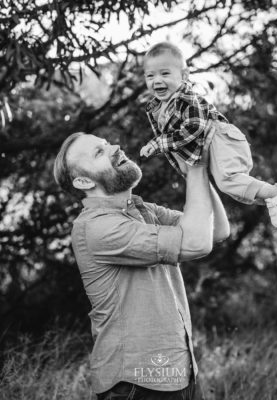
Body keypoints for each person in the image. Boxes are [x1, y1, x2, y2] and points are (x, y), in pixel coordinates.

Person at [53, 123, 230, 400]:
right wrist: (195, 163)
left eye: (107, 141)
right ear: (84, 182)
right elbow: (197, 243)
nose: (115, 147)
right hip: (135, 385)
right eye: (100, 152)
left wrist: (199, 174)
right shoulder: (96, 228)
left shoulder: (142, 209)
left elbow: (217, 230)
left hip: (179, 373)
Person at [140, 42, 277, 229]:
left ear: (184, 76)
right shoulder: (158, 108)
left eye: (165, 73)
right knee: (237, 191)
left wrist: (159, 143)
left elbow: (194, 127)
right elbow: (177, 142)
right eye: (150, 76)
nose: (156, 80)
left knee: (229, 182)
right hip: (216, 143)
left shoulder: (184, 97)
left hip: (219, 137)